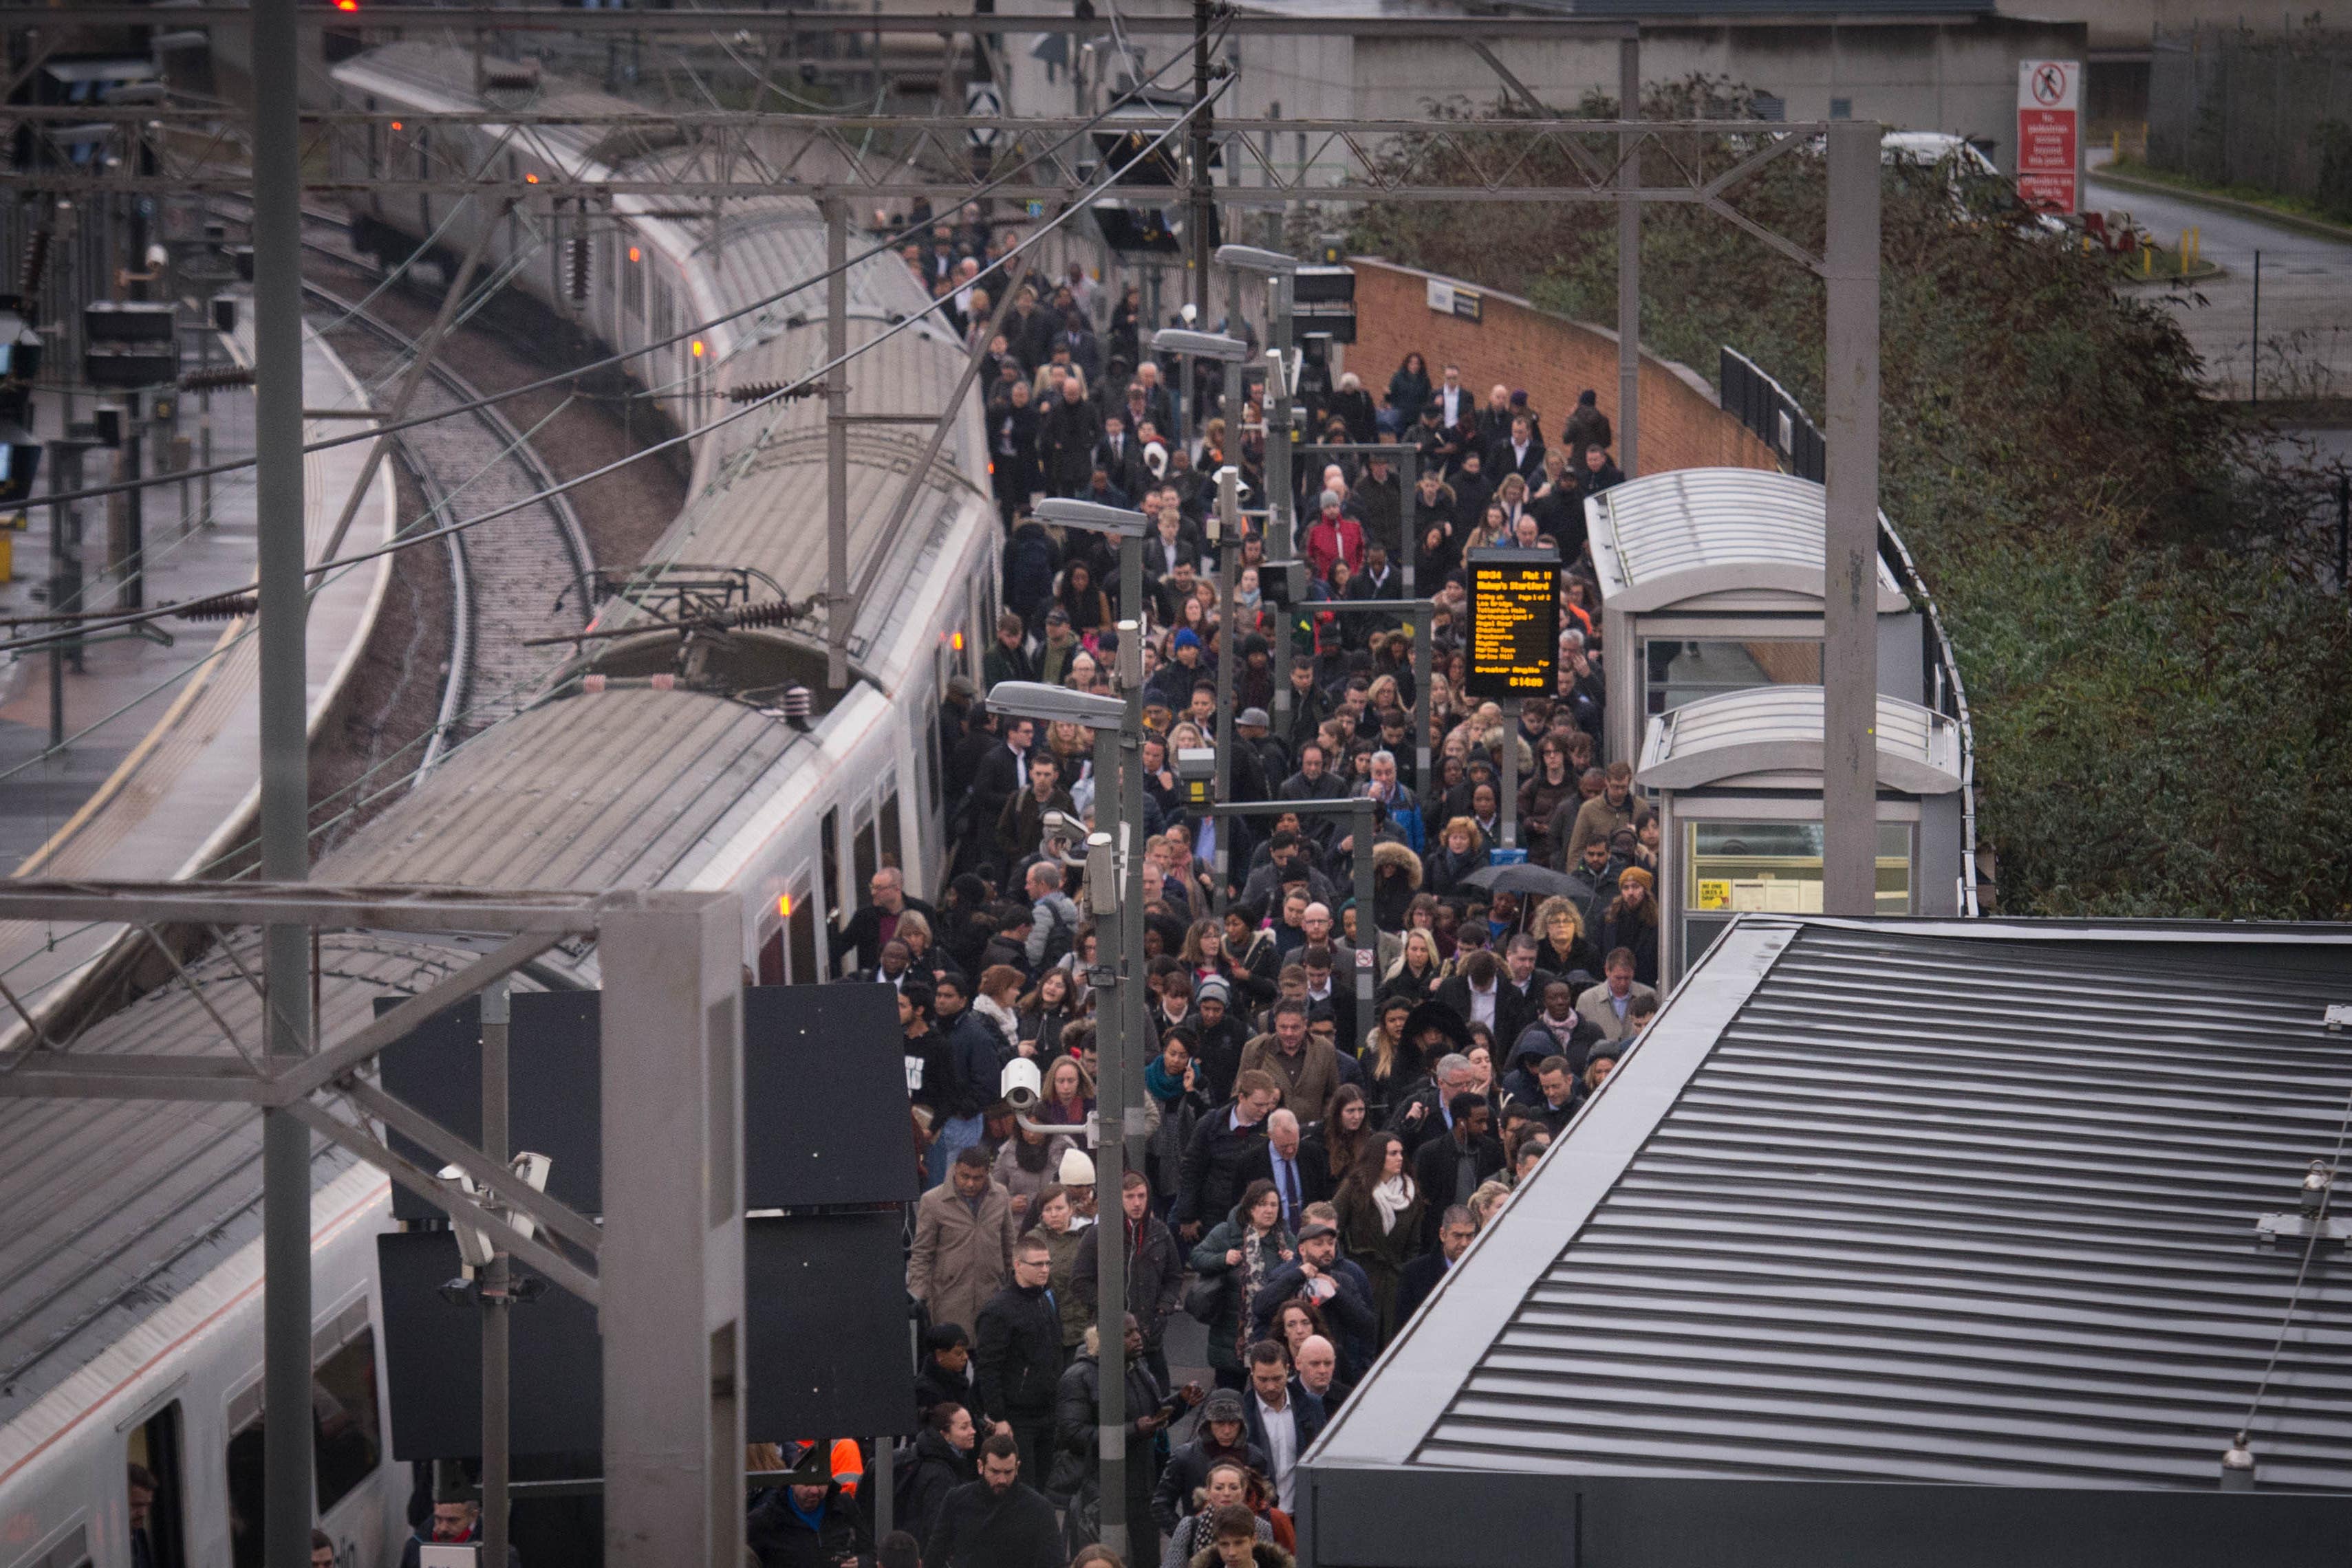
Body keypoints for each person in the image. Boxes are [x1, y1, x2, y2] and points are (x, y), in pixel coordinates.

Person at [1053, 1314, 1183, 1534]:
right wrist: (1134, 1431)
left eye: (1136, 1331)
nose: (1137, 1338)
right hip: (1101, 1492)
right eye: (1128, 1334)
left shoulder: (1137, 1368)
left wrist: (1180, 1403)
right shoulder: (1079, 1377)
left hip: (1143, 1487)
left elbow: (1152, 1418)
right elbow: (1073, 1435)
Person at [911, 1148, 1019, 1386]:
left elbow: (1009, 1246)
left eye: (977, 1178)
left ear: (987, 1174)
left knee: (990, 1373)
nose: (970, 1183)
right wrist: (918, 1298)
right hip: (949, 1298)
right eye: (964, 1176)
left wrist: (1014, 1288)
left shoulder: (1000, 1196)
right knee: (950, 1374)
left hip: (991, 1298)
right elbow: (922, 1254)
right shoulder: (933, 1201)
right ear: (955, 1171)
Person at [1075, 1169, 1185, 1382]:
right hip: (1110, 1337)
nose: (1137, 1203)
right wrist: (1108, 1307)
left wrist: (1163, 1309)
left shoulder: (1160, 1232)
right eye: (1130, 1197)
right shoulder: (1098, 1234)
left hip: (1150, 1334)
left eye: (1141, 1196)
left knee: (1159, 1398)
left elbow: (1174, 1277)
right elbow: (1080, 1282)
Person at [1189, 1179, 1296, 1389]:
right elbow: (1197, 1257)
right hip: (1230, 1338)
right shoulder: (1227, 1232)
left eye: (1273, 1205)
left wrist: (1293, 1261)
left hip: (1271, 1335)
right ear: (1249, 1208)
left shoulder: (1285, 1238)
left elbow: (1300, 1271)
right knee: (1231, 1399)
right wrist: (1223, 1258)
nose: (1268, 1210)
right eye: (1262, 1204)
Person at [974, 1237, 1064, 1485]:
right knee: (1022, 1486)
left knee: (1043, 1483)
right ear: (1018, 1265)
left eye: (1048, 1263)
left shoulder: (1045, 1300)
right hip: (1017, 1417)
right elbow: (988, 1368)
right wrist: (999, 1416)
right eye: (1037, 1264)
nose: (1045, 1269)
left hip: (1046, 1411)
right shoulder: (999, 1310)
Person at [1333, 1132, 1423, 1343]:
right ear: (1378, 1156)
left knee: (1390, 1339)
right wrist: (1345, 1265)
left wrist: (1403, 1271)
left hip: (1394, 1279)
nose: (1400, 1158)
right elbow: (1333, 1226)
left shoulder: (1411, 1193)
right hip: (1361, 1274)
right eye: (1393, 1153)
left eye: (1401, 1153)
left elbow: (1414, 1243)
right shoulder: (1355, 1187)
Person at [924, 1433, 1061, 1568]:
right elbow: (935, 1555)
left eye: (1008, 1472)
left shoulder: (1039, 1508)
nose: (1002, 1480)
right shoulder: (957, 1500)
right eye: (995, 1472)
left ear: (1017, 1468)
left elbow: (1053, 1562)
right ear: (980, 1466)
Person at [1173, 1070, 1280, 1240]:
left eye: (1268, 1105)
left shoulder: (1272, 1128)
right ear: (1242, 1098)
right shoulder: (1211, 1124)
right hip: (1213, 1216)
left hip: (1255, 1217)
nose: (1264, 1110)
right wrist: (1187, 1216)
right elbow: (1191, 1170)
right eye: (1258, 1105)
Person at [1410, 1093, 1504, 1250]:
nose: (1485, 1128)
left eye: (1486, 1122)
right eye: (1479, 1122)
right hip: (1441, 1242)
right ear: (1461, 1122)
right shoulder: (1430, 1154)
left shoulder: (1491, 1150)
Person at [1240, 1341, 1324, 1514]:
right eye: (1263, 1380)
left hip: (1303, 1515)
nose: (1270, 1387)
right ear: (1252, 1373)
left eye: (1277, 1378)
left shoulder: (1311, 1406)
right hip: (1259, 1516)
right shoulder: (1242, 1414)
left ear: (1288, 1369)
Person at [1236, 1001, 1341, 1128]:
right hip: (1265, 1135)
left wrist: (1324, 1125)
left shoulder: (1325, 1049)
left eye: (1295, 1027)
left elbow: (1333, 1095)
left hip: (1312, 1136)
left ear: (1305, 1024)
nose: (1289, 1033)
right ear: (1275, 1024)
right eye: (1283, 1027)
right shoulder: (1255, 1049)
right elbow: (1238, 1094)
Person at [1022, 1184, 1092, 1358]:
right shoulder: (1033, 1240)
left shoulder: (1088, 1236)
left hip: (1085, 1327)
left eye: (1059, 1208)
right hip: (1047, 1331)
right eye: (1048, 1209)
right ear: (1041, 1214)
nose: (1054, 1214)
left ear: (1071, 1210)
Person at [1161, 1461, 1272, 1568]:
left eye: (1233, 1488)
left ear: (1243, 1492)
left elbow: (1268, 1563)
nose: (1226, 1493)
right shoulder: (1190, 1526)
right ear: (1208, 1492)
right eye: (1219, 1488)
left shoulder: (1261, 1527)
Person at [1236, 1108, 1330, 1233]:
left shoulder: (1314, 1154)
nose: (1290, 1151)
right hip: (1270, 1236)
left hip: (1310, 1233)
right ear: (1270, 1135)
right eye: (1284, 1146)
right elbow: (1240, 1207)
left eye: (1294, 1144)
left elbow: (1324, 1195)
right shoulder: (1250, 1162)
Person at [834, 867, 941, 976]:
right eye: (872, 887)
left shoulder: (922, 910)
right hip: (878, 981)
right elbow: (841, 946)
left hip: (916, 977)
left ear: (897, 888)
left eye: (879, 888)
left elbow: (935, 944)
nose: (873, 893)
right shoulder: (864, 916)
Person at [748, 1472, 869, 1568]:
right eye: (807, 1483)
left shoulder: (844, 1506)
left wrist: (862, 1563)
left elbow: (871, 1553)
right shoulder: (767, 1518)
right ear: (792, 1482)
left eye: (821, 1483)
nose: (815, 1490)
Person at [1393, 1204, 1478, 1326]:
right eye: (1458, 1236)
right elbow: (1402, 1325)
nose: (1464, 1243)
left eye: (1469, 1236)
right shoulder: (1414, 1273)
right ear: (1443, 1235)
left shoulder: (1482, 1272)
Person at [400, 1498, 519, 1568]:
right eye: (438, 1519)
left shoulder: (500, 1554)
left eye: (452, 1520)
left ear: (473, 1516)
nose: (443, 1528)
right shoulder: (415, 1548)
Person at [1575, 948, 1660, 1044]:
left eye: (1627, 978)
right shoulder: (1586, 1000)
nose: (1623, 983)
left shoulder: (1650, 995)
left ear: (1633, 972)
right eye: (1618, 978)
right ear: (1607, 971)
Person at [916, 1322, 989, 1429]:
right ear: (940, 1355)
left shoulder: (959, 1380)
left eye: (965, 1352)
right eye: (958, 1353)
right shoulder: (925, 1389)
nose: (965, 1357)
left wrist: (981, 1424)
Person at [1597, 868, 1661, 988]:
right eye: (1626, 888)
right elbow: (1600, 949)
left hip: (1645, 984)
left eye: (1636, 887)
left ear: (1645, 890)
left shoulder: (1657, 921)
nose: (1631, 892)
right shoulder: (1608, 918)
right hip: (1613, 983)